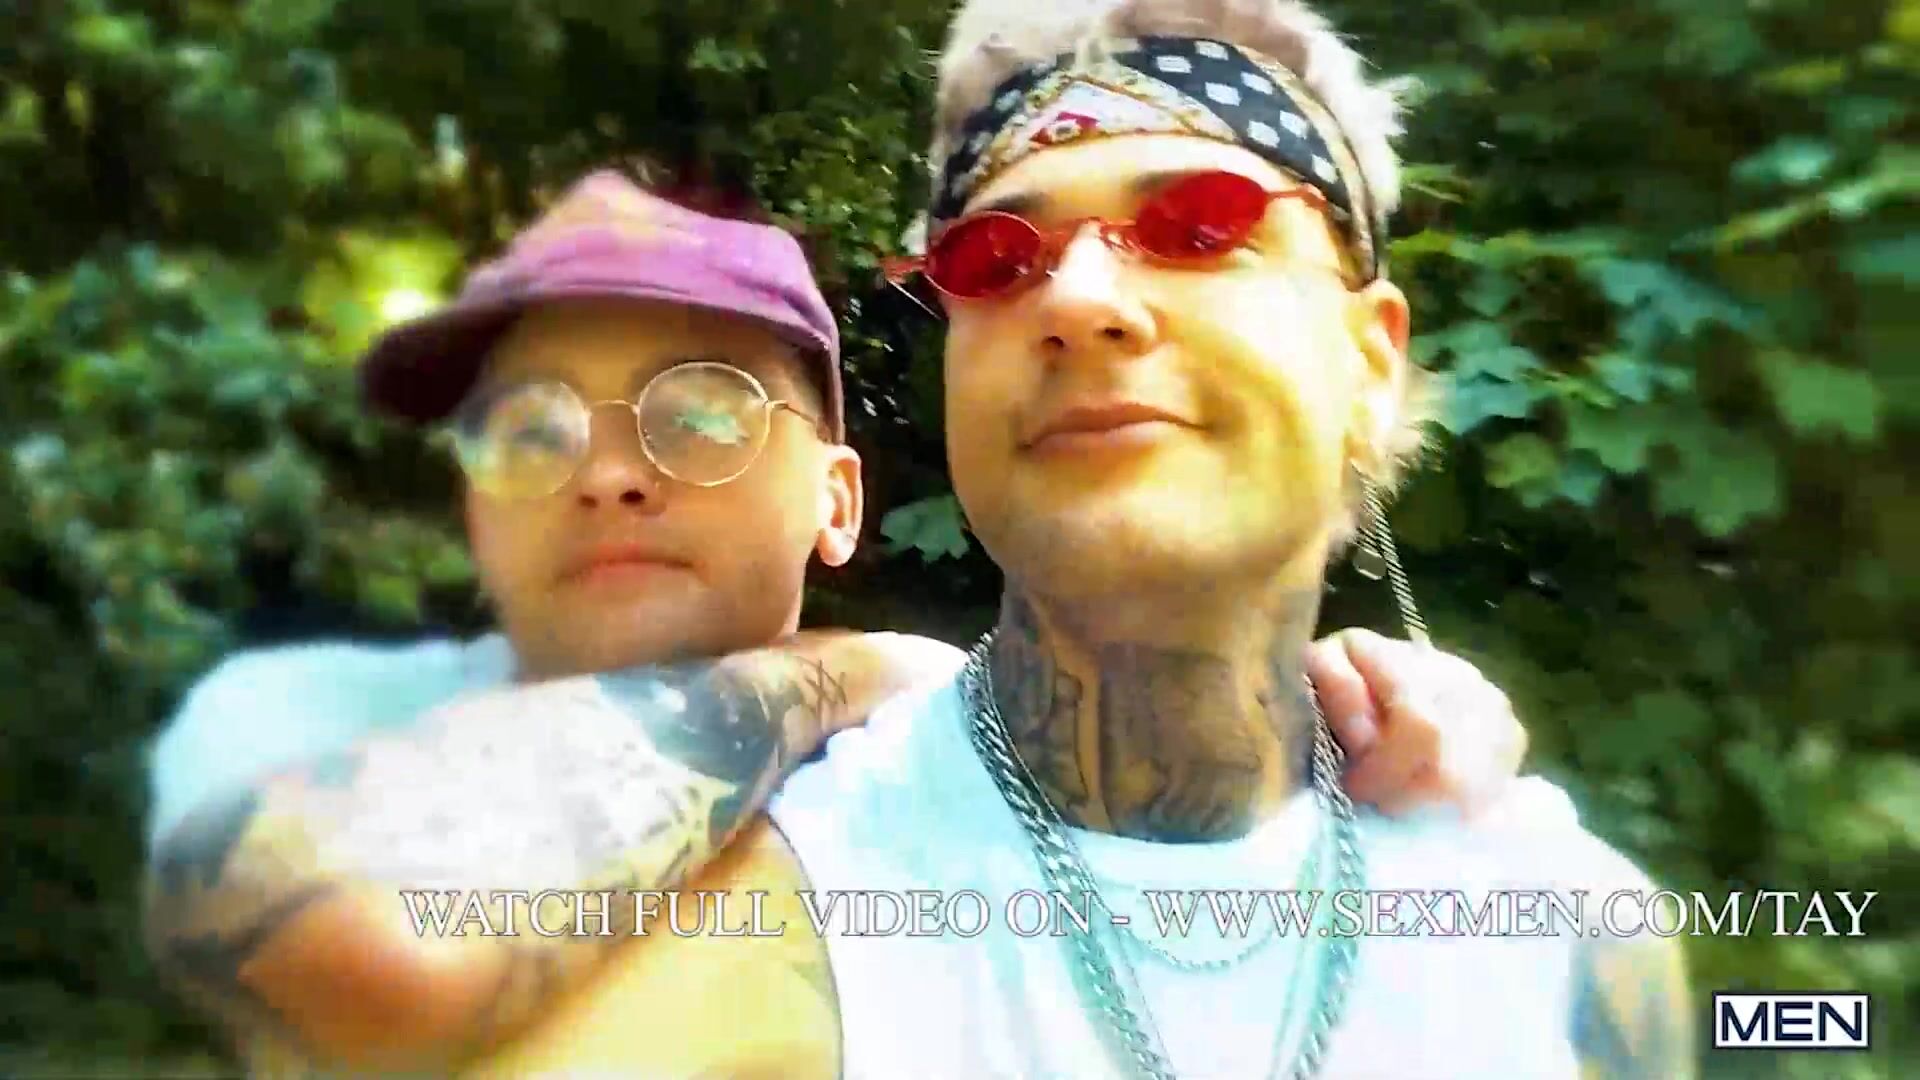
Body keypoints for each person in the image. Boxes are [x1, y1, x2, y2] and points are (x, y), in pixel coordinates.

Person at [142, 165, 1532, 1079]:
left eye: (701, 412)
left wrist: (1330, 711)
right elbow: (372, 939)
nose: (605, 473)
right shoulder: (300, 715)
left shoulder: (941, 786)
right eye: (529, 429)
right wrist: (835, 670)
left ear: (840, 501)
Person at [745, 0, 1697, 1076]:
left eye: (1200, 225)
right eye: (997, 260)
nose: (1078, 299)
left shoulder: (1574, 942)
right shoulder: (751, 913)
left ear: (1371, 365)